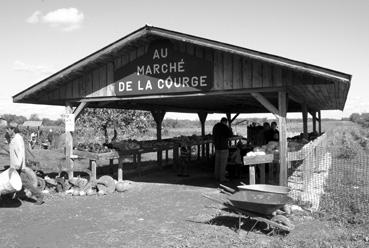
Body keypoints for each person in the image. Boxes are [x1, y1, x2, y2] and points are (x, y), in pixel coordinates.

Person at [7, 122, 44, 205]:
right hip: (15, 165)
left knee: (25, 183)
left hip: (17, 166)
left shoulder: (17, 138)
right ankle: (13, 197)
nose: (7, 131)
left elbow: (20, 153)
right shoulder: (14, 138)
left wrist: (18, 166)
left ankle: (39, 195)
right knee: (17, 182)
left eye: (8, 129)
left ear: (12, 129)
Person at [212, 117, 233, 182]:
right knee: (223, 163)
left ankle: (216, 176)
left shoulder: (215, 126)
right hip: (223, 147)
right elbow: (230, 135)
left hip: (217, 147)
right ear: (225, 122)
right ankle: (222, 178)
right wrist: (230, 129)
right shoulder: (225, 127)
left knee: (217, 163)